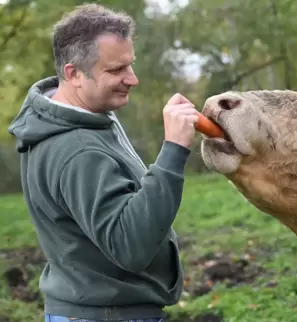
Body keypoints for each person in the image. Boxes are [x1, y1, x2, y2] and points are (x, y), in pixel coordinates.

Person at [7, 3, 199, 322]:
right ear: (73, 74)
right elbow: (130, 246)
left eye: (130, 65)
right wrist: (174, 150)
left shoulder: (83, 114)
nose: (132, 79)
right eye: (115, 70)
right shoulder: (77, 149)